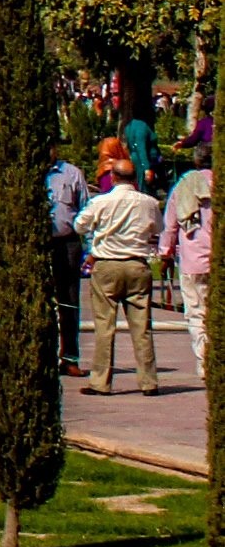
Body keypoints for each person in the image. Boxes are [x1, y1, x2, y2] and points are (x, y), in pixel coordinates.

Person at [77, 148, 163, 395]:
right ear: (134, 178)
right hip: (137, 264)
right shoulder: (148, 202)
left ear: (113, 177)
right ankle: (148, 381)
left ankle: (101, 381)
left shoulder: (101, 202)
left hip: (107, 264)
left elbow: (80, 225)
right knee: (142, 326)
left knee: (105, 326)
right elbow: (157, 227)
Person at [163, 157, 214, 376]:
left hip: (192, 259)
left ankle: (204, 363)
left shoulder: (182, 185)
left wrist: (165, 254)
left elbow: (170, 226)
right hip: (217, 259)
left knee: (196, 313)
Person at [43, 146, 90, 372]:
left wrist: (90, 248)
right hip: (39, 245)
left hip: (67, 241)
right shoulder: (30, 172)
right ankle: (43, 354)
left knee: (69, 300)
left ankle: (70, 357)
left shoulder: (71, 173)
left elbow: (86, 211)